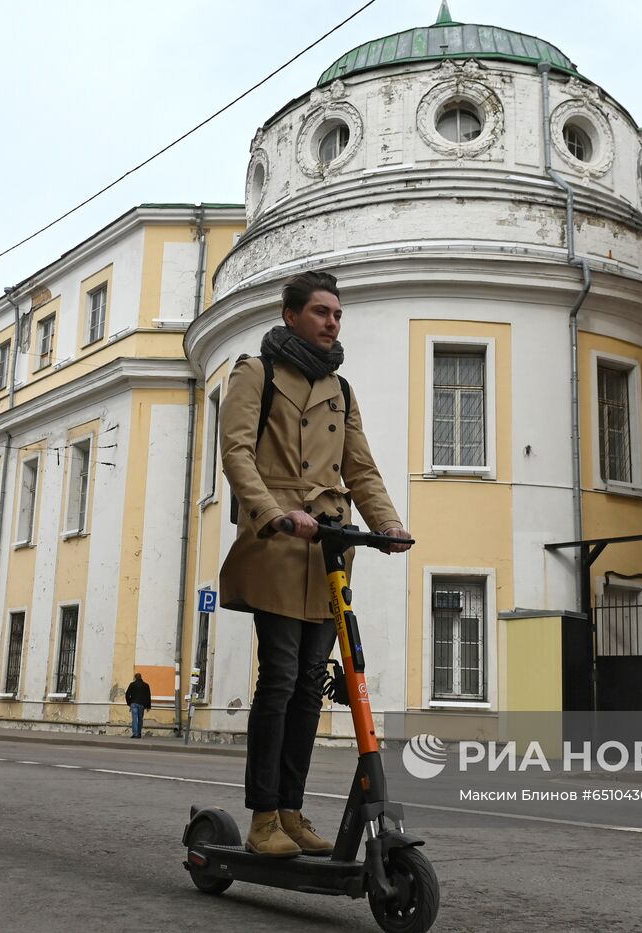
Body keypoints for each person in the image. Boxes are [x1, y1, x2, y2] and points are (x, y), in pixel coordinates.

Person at [219, 270, 410, 858]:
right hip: (278, 541)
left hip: (327, 547)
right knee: (278, 680)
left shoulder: (341, 390)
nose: (332, 321)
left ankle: (293, 812)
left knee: (310, 686)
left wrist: (387, 524)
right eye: (322, 311)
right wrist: (273, 511)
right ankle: (263, 818)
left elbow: (361, 468)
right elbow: (237, 452)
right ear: (291, 314)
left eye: (338, 314)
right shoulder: (256, 373)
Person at [124, 672, 151, 739]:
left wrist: (129, 703)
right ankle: (139, 733)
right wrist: (148, 706)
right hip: (142, 705)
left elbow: (127, 694)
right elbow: (148, 696)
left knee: (135, 719)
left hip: (134, 704)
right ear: (141, 677)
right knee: (140, 719)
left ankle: (135, 734)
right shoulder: (146, 685)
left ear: (135, 677)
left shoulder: (132, 684)